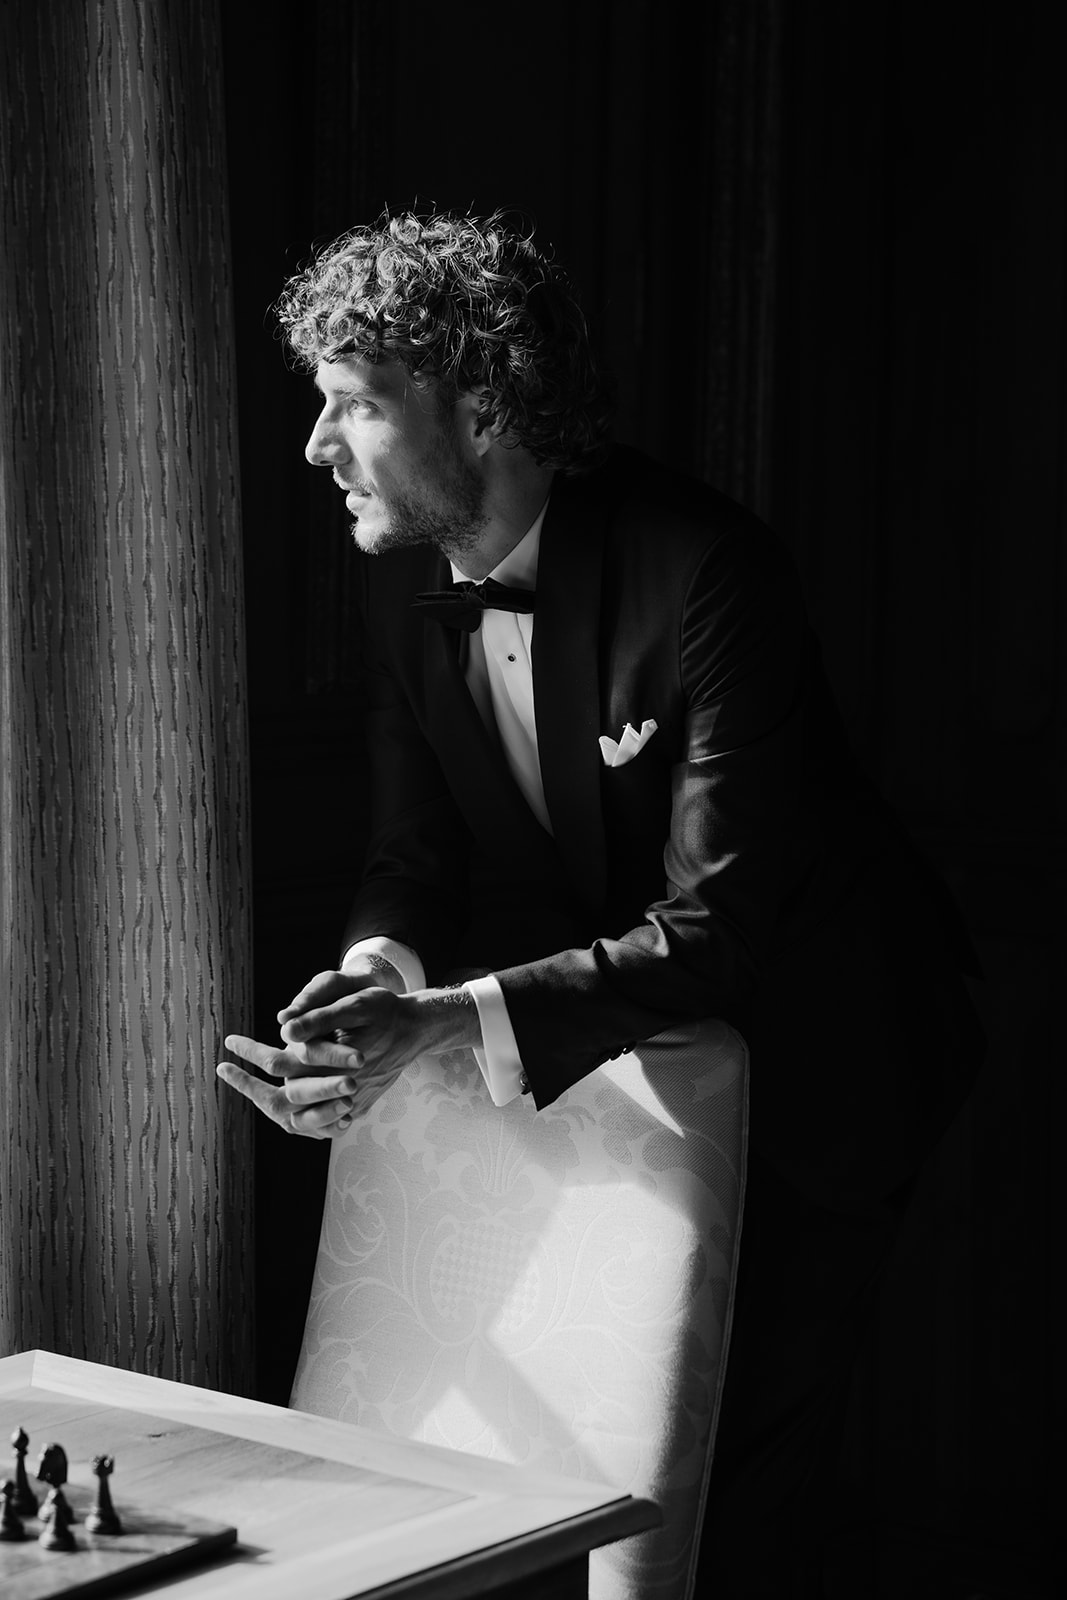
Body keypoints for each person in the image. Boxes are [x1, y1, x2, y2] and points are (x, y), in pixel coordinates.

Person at [217, 211, 982, 1597]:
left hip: (831, 1054)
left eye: (354, 408)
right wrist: (374, 982)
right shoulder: (409, 603)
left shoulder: (707, 574)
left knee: (730, 1496)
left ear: (483, 401)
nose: (318, 450)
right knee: (567, 1485)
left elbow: (721, 928)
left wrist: (443, 1022)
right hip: (616, 1075)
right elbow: (415, 857)